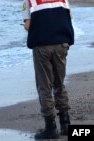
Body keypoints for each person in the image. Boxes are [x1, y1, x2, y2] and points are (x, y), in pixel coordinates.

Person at [22, 0, 74, 139]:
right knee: (59, 83)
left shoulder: (30, 1)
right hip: (61, 44)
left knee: (44, 86)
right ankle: (65, 124)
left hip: (42, 46)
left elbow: (28, 25)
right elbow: (69, 17)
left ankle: (50, 127)